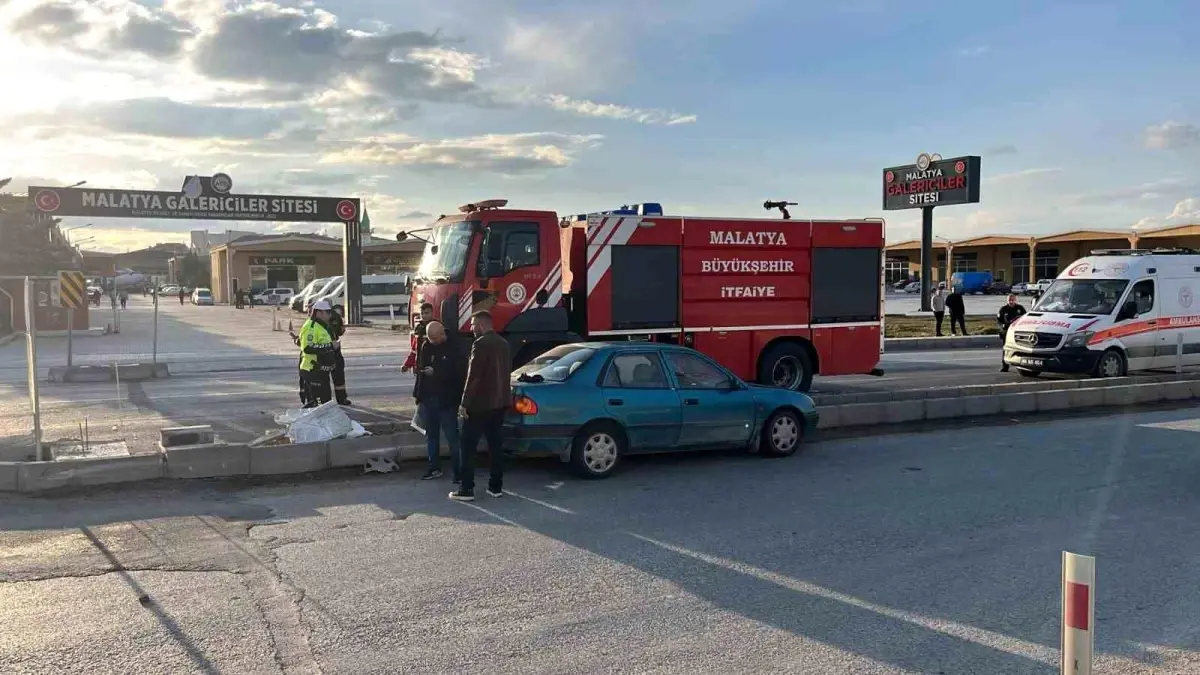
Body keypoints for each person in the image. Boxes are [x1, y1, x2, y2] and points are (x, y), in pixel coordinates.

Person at [450, 311, 511, 502]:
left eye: (473, 324)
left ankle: (466, 488)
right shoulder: (504, 343)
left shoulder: (480, 344)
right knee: (495, 446)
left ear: (482, 325)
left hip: (480, 405)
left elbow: (474, 377)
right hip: (500, 403)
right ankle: (496, 487)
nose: (471, 328)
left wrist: (464, 404)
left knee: (467, 447)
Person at [414, 321, 466, 481]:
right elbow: (420, 370)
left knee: (452, 437)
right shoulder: (426, 346)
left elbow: (459, 372)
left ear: (443, 333)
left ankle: (459, 472)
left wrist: (436, 372)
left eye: (436, 339)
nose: (434, 342)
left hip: (447, 399)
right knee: (431, 435)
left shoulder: (454, 346)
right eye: (431, 339)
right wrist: (418, 395)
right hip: (428, 398)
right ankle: (434, 467)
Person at [298, 299, 338, 407]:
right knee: (319, 405)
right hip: (312, 370)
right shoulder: (310, 327)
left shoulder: (322, 326)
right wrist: (330, 346)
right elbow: (307, 348)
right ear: (319, 313)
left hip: (321, 371)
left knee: (325, 402)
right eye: (327, 312)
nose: (330, 315)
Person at [997, 294, 1028, 373]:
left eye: (1012, 300)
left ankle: (1023, 366)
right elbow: (999, 320)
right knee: (1006, 349)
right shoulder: (1003, 309)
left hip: (1018, 332)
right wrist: (1002, 325)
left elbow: (1025, 318)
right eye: (1009, 300)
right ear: (1007, 300)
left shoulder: (1020, 308)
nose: (1011, 301)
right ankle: (1005, 366)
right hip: (1007, 332)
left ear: (1015, 300)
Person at [401, 302, 435, 373]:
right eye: (422, 313)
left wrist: (436, 368)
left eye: (427, 313)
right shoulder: (418, 328)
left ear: (432, 313)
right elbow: (414, 350)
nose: (424, 315)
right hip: (419, 366)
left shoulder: (436, 327)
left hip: (432, 367)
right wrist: (407, 365)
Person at [328, 305, 352, 405]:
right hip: (327, 349)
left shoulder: (334, 316)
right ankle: (339, 399)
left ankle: (340, 398)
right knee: (335, 376)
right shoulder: (315, 321)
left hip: (334, 349)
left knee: (338, 375)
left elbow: (340, 330)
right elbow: (340, 330)